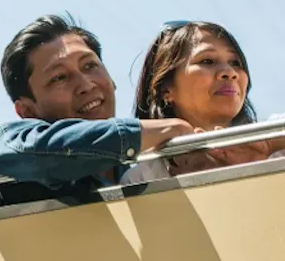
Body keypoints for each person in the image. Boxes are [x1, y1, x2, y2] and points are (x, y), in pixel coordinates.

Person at [0, 14, 194, 190]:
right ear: (27, 111)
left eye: (89, 66)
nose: (86, 85)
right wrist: (167, 130)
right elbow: (24, 151)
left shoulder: (147, 169)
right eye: (59, 77)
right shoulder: (12, 142)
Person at [122, 20, 285, 184]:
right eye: (207, 61)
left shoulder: (278, 144)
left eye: (235, 63)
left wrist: (269, 144)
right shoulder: (141, 180)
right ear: (165, 88)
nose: (230, 72)